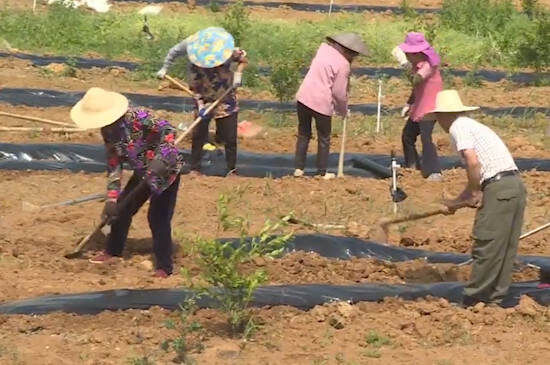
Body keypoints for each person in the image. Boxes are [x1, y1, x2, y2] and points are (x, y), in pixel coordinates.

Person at [70, 87, 183, 278]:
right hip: (142, 169)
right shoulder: (108, 132)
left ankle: (165, 266)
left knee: (157, 218)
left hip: (165, 168)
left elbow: (169, 130)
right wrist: (111, 199)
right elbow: (114, 164)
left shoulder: (138, 116)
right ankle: (113, 250)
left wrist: (162, 157)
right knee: (121, 209)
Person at [430, 89, 526, 306]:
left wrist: (475, 193)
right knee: (504, 247)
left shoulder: (458, 126)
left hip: (499, 188)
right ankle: (495, 300)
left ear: (443, 115)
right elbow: (477, 179)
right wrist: (455, 202)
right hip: (513, 186)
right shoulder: (471, 126)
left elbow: (474, 164)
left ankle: (473, 298)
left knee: (488, 243)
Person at [157, 27, 248, 176]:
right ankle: (195, 168)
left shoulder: (225, 50)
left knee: (229, 136)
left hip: (224, 95)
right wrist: (165, 68)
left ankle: (231, 169)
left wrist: (238, 75)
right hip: (202, 92)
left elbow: (243, 59)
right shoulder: (190, 44)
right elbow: (173, 52)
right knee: (198, 133)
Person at [398, 32, 443, 181]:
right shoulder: (417, 65)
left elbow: (416, 81)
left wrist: (404, 65)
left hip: (429, 108)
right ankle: (412, 167)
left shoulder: (427, 65)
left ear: (417, 53)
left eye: (408, 53)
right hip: (419, 107)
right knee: (407, 136)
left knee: (426, 138)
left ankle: (434, 171)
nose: (407, 56)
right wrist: (409, 103)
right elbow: (416, 89)